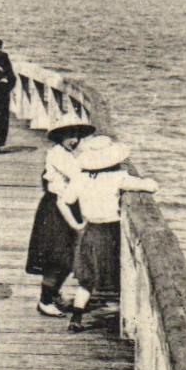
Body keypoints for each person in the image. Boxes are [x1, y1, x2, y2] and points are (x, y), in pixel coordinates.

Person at [57, 135, 157, 332]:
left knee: (87, 280)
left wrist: (76, 224)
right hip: (111, 232)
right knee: (118, 274)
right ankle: (126, 319)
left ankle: (76, 318)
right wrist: (148, 181)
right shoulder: (117, 177)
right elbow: (151, 186)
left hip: (89, 230)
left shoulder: (81, 177)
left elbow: (63, 201)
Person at [25, 116, 94, 317]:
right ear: (60, 136)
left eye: (77, 136)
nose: (74, 140)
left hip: (68, 205)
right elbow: (78, 175)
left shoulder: (69, 153)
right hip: (55, 209)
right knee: (57, 256)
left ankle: (53, 294)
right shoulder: (57, 154)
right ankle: (45, 301)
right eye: (69, 136)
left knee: (67, 255)